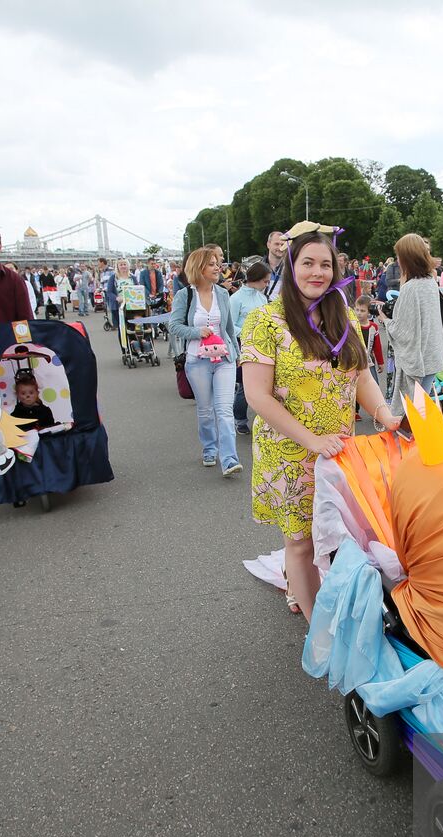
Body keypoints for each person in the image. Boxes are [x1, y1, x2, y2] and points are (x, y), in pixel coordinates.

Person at [239, 223, 400, 619]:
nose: (317, 272)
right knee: (301, 544)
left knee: (335, 535)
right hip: (290, 453)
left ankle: (304, 586)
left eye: (325, 264)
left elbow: (361, 375)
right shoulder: (265, 321)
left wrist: (384, 415)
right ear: (291, 266)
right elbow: (257, 395)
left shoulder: (343, 313)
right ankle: (318, 629)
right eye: (307, 262)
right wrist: (310, 439)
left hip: (340, 453)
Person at [170, 247, 243, 477]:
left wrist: (237, 353)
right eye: (211, 264)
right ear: (199, 267)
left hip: (224, 359)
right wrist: (196, 331)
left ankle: (229, 459)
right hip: (197, 361)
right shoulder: (185, 295)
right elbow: (173, 326)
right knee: (205, 410)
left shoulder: (222, 293)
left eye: (217, 263)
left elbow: (229, 328)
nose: (217, 267)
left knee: (223, 409)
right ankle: (209, 448)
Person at [380, 233, 443, 411]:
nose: (398, 260)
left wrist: (385, 320)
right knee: (421, 407)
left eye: (399, 256)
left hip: (419, 361)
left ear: (407, 258)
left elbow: (403, 331)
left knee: (411, 413)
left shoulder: (412, 288)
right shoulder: (430, 282)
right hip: (432, 356)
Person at [229, 261, 271, 435]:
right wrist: (249, 332)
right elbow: (229, 325)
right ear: (256, 279)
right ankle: (240, 419)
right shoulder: (236, 298)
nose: (267, 285)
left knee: (265, 385)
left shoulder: (262, 297)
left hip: (263, 344)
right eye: (265, 281)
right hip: (243, 345)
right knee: (245, 386)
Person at [263, 231, 287, 300]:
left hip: (281, 308)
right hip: (260, 309)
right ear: (268, 245)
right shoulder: (258, 267)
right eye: (276, 244)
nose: (280, 247)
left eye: (282, 244)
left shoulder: (290, 268)